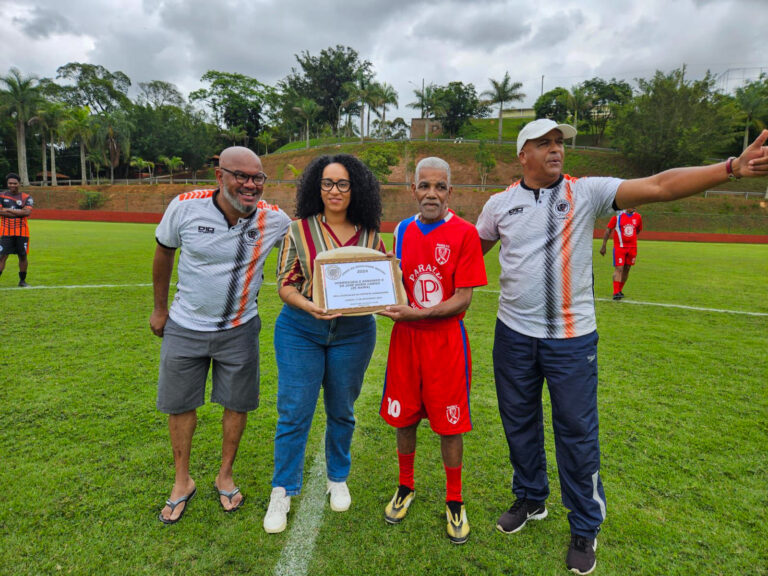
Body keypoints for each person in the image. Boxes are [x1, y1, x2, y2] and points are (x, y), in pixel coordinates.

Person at [476, 119, 768, 575]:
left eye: (559, 144)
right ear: (522, 155)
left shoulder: (586, 192)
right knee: (519, 424)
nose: (556, 150)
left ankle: (585, 525)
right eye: (544, 144)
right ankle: (531, 498)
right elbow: (464, 255)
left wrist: (729, 167)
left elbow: (659, 186)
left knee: (576, 433)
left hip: (571, 341)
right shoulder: (499, 205)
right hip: (512, 335)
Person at [151, 146, 290, 524]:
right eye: (240, 176)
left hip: (240, 328)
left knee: (237, 404)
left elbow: (309, 245)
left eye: (257, 178)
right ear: (219, 176)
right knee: (180, 405)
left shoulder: (275, 220)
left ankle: (224, 473)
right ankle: (182, 481)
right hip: (184, 324)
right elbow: (164, 253)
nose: (250, 184)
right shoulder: (184, 206)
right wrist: (160, 308)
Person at [263, 154, 385, 534]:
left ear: (356, 188)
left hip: (354, 333)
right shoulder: (298, 230)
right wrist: (310, 306)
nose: (335, 190)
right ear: (317, 187)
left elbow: (378, 282)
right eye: (328, 183)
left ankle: (337, 476)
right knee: (294, 412)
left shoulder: (370, 234)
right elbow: (285, 284)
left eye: (343, 183)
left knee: (342, 410)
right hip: (301, 330)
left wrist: (386, 293)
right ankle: (282, 490)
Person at [378, 157, 487, 545]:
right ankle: (405, 486)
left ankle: (454, 499)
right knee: (404, 417)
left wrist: (418, 313)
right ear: (413, 189)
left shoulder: (465, 233)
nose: (431, 194)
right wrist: (385, 300)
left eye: (440, 187)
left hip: (445, 342)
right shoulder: (403, 230)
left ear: (450, 192)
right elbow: (396, 281)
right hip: (406, 341)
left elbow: (463, 300)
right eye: (424, 186)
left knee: (449, 423)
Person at [599, 208, 643, 300]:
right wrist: (604, 245)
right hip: (620, 247)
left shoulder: (638, 217)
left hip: (632, 248)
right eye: (632, 204)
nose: (634, 207)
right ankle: (615, 293)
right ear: (627, 206)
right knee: (619, 268)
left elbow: (638, 230)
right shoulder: (617, 218)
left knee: (627, 269)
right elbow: (608, 231)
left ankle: (619, 290)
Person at [0, 173, 34, 287]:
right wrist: (18, 212)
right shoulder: (1, 196)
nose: (12, 185)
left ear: (19, 184)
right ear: (7, 184)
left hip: (22, 232)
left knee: (23, 256)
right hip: (5, 232)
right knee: (2, 256)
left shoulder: (26, 197)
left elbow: (27, 212)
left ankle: (22, 281)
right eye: (10, 183)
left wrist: (7, 210)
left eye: (15, 183)